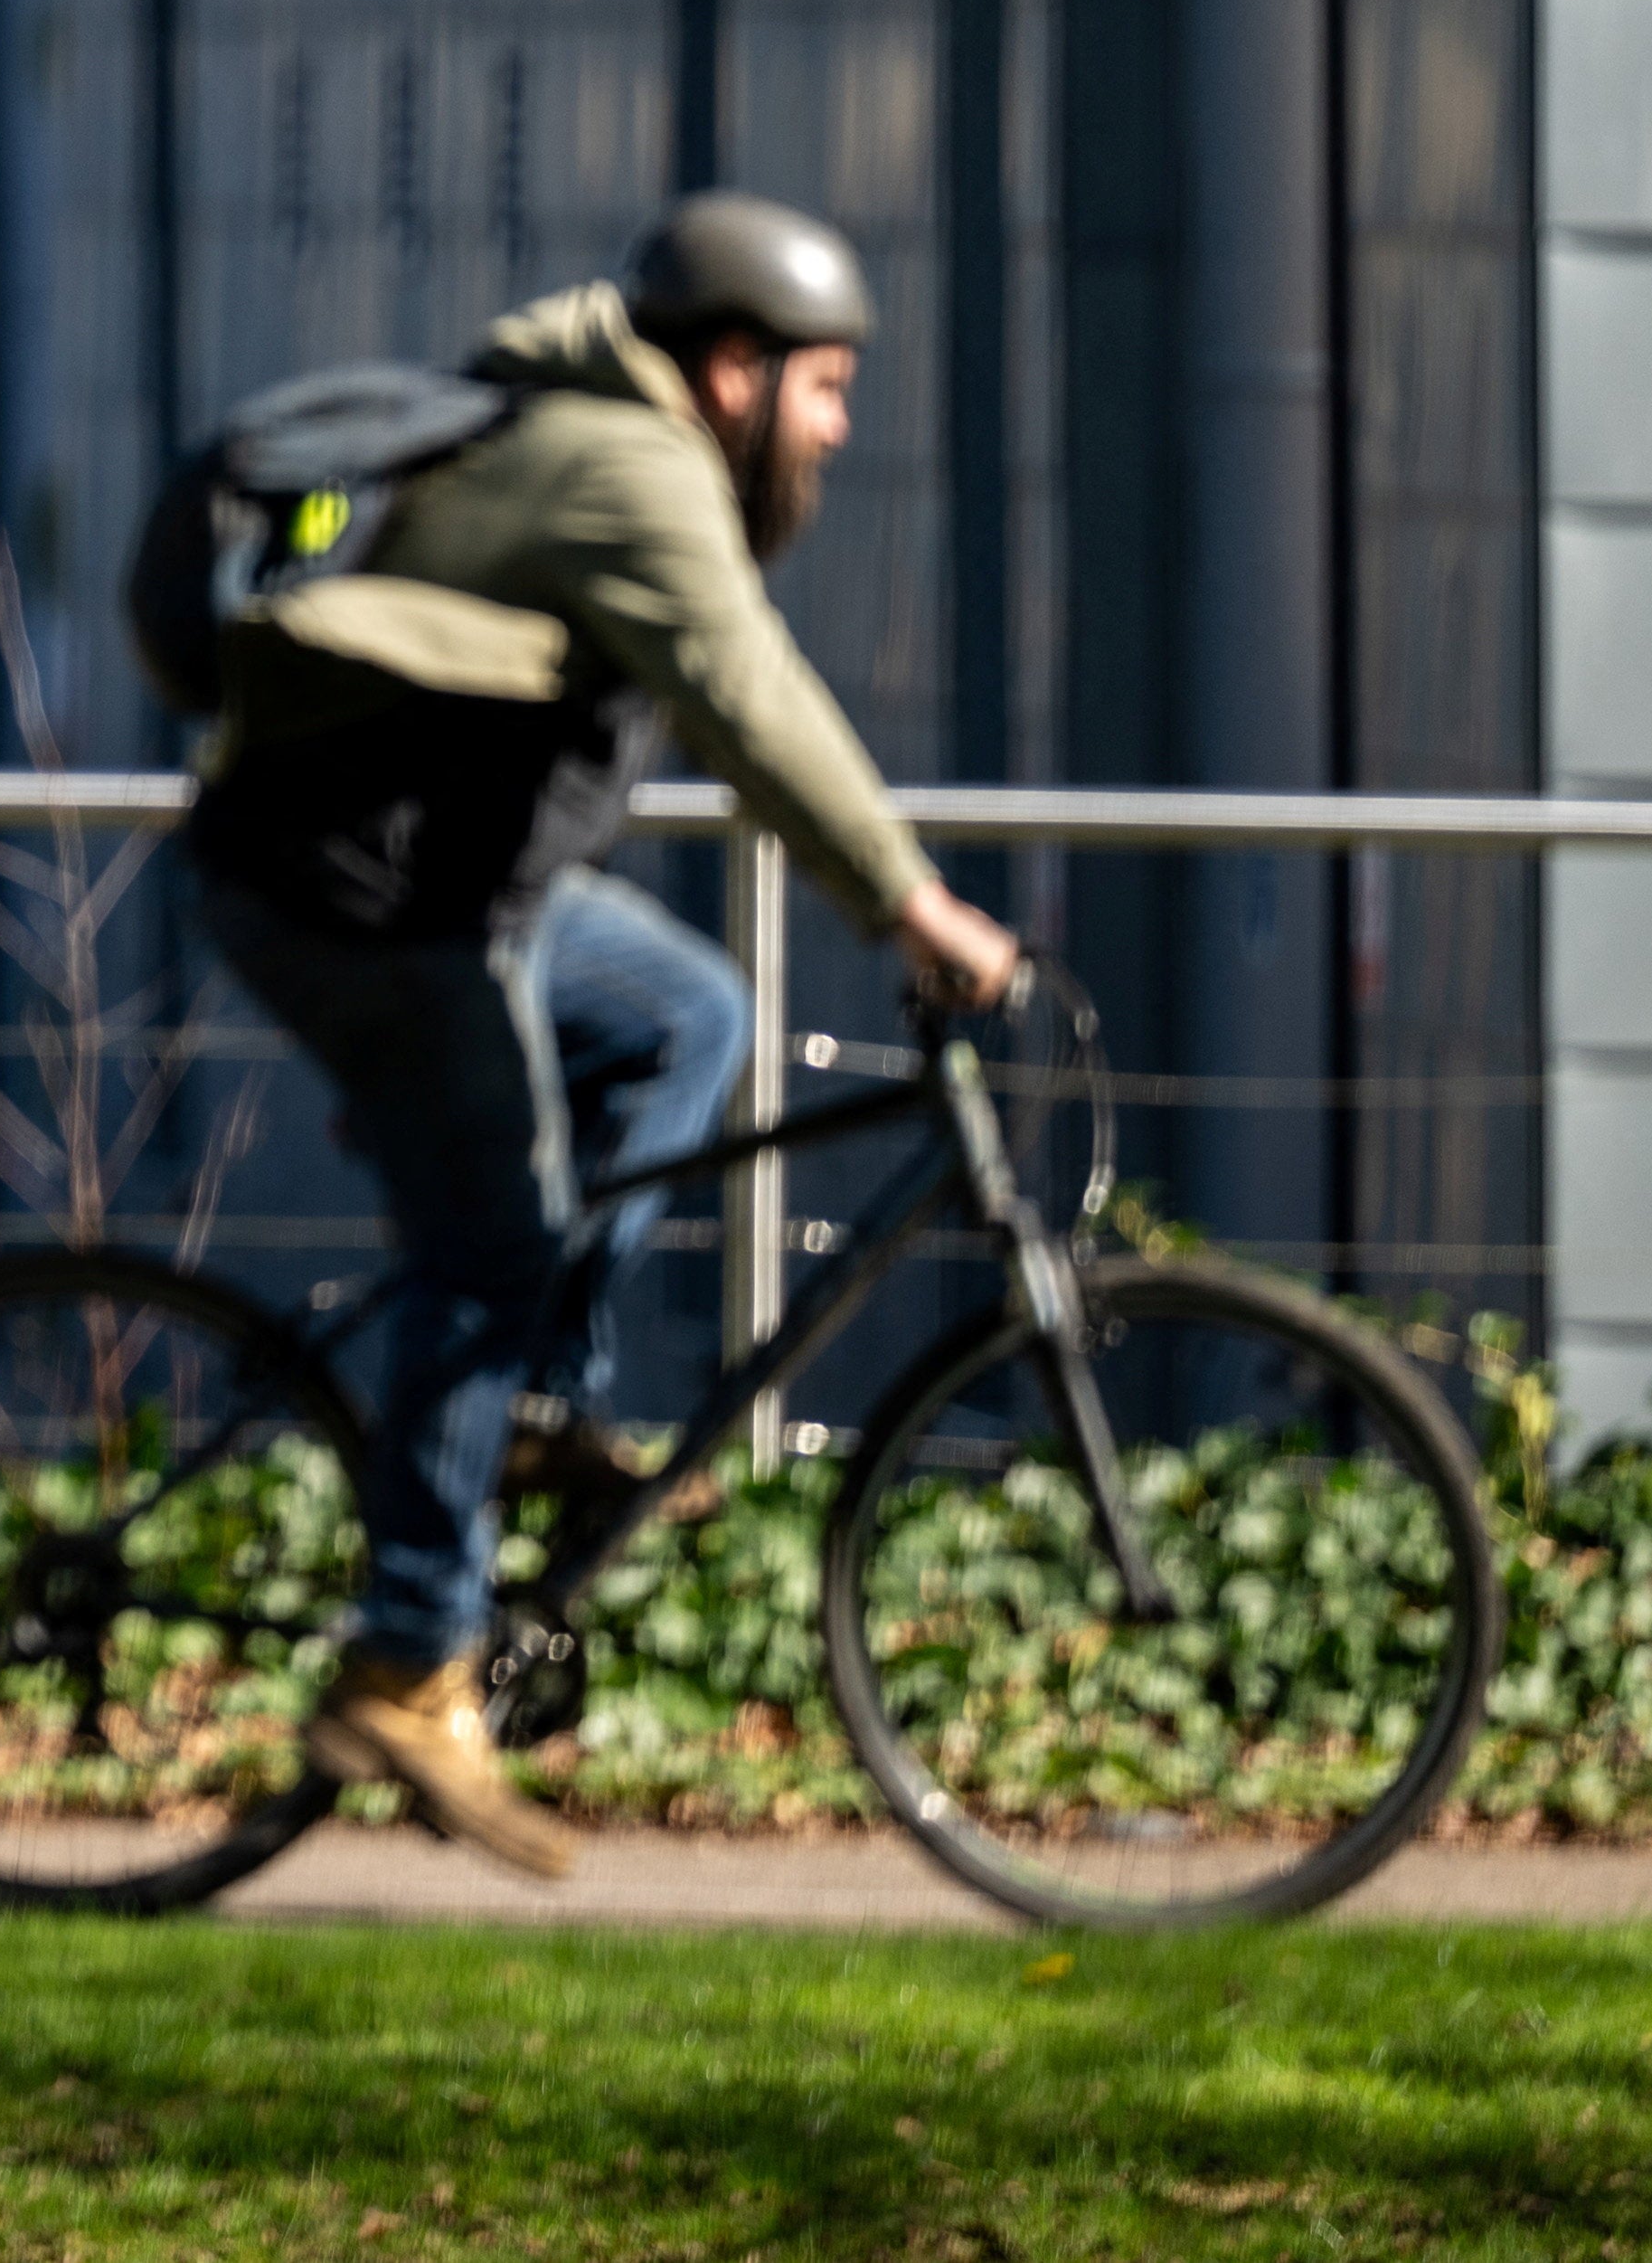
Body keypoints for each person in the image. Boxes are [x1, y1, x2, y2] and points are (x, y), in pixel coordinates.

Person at [175, 189, 1028, 1882]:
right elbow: (743, 689)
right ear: (732, 368)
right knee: (484, 1251)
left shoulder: (603, 435)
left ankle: (546, 1400)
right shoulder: (628, 466)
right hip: (363, 901)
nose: (840, 429)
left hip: (443, 881)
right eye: (826, 388)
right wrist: (910, 905)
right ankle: (409, 1662)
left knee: (687, 1016)